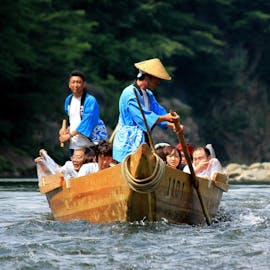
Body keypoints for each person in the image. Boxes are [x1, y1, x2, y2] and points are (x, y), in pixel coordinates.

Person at [113, 58, 180, 162]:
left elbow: (157, 111)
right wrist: (166, 118)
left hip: (143, 139)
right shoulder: (129, 93)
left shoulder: (148, 94)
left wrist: (171, 124)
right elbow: (143, 117)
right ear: (148, 77)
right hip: (128, 141)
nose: (158, 82)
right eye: (156, 79)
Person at [59, 70, 108, 153]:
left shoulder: (90, 100)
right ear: (69, 85)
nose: (76, 85)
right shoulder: (69, 99)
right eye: (73, 82)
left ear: (84, 84)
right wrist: (65, 130)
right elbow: (73, 120)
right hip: (75, 142)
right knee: (76, 165)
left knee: (92, 165)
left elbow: (88, 121)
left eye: (78, 82)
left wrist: (69, 135)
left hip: (91, 142)